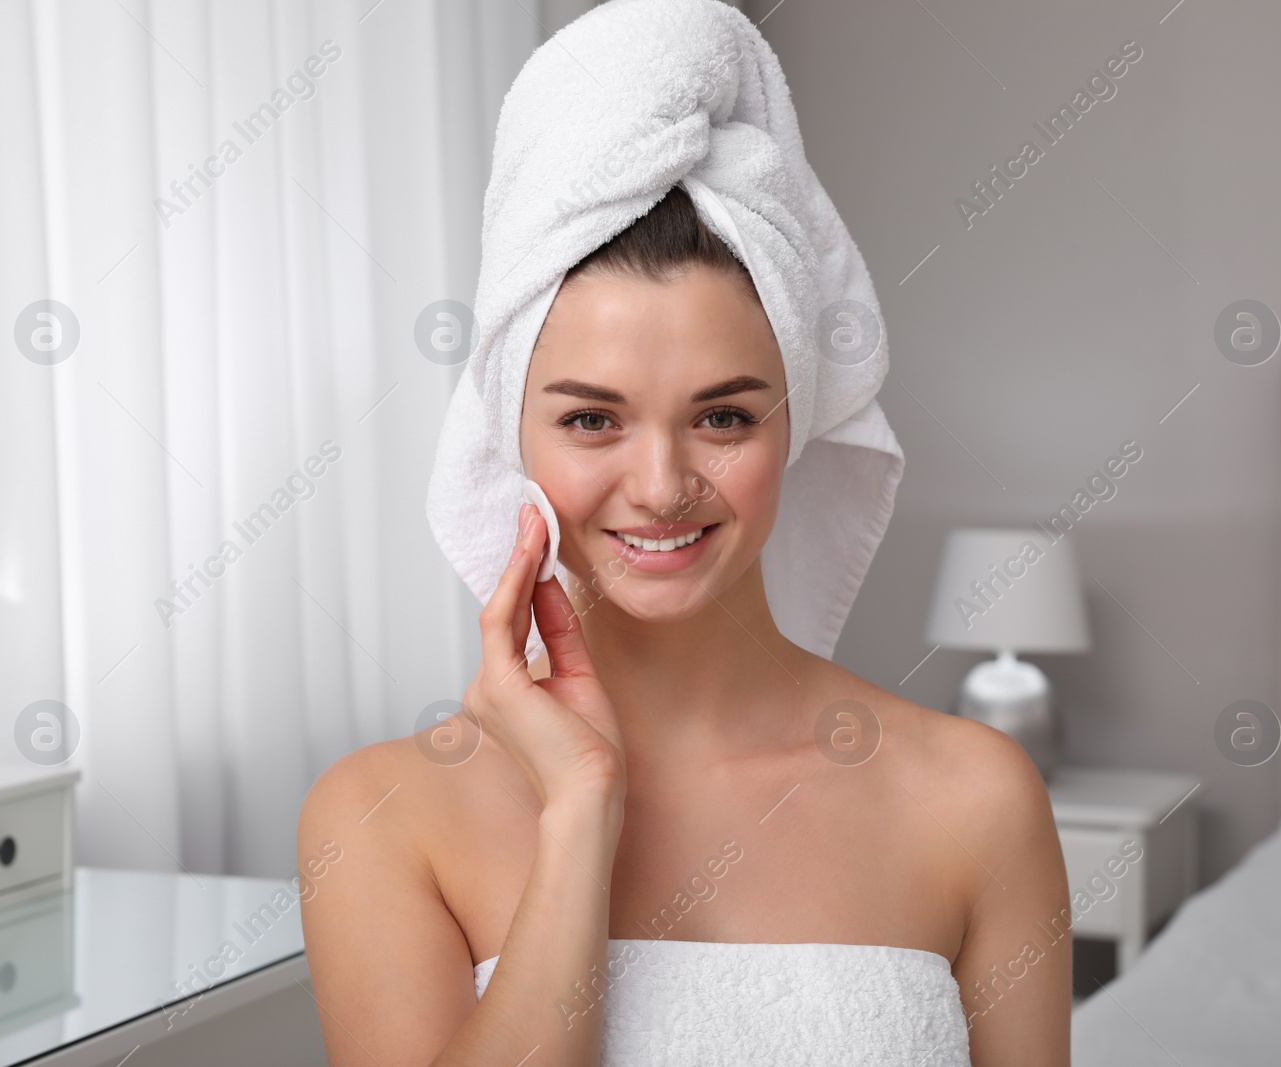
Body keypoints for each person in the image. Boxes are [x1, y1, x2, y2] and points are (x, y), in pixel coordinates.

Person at [297, 184, 1071, 1066]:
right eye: (592, 419)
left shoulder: (975, 798)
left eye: (723, 418)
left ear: (795, 430)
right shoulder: (379, 816)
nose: (663, 485)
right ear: (513, 439)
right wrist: (581, 814)